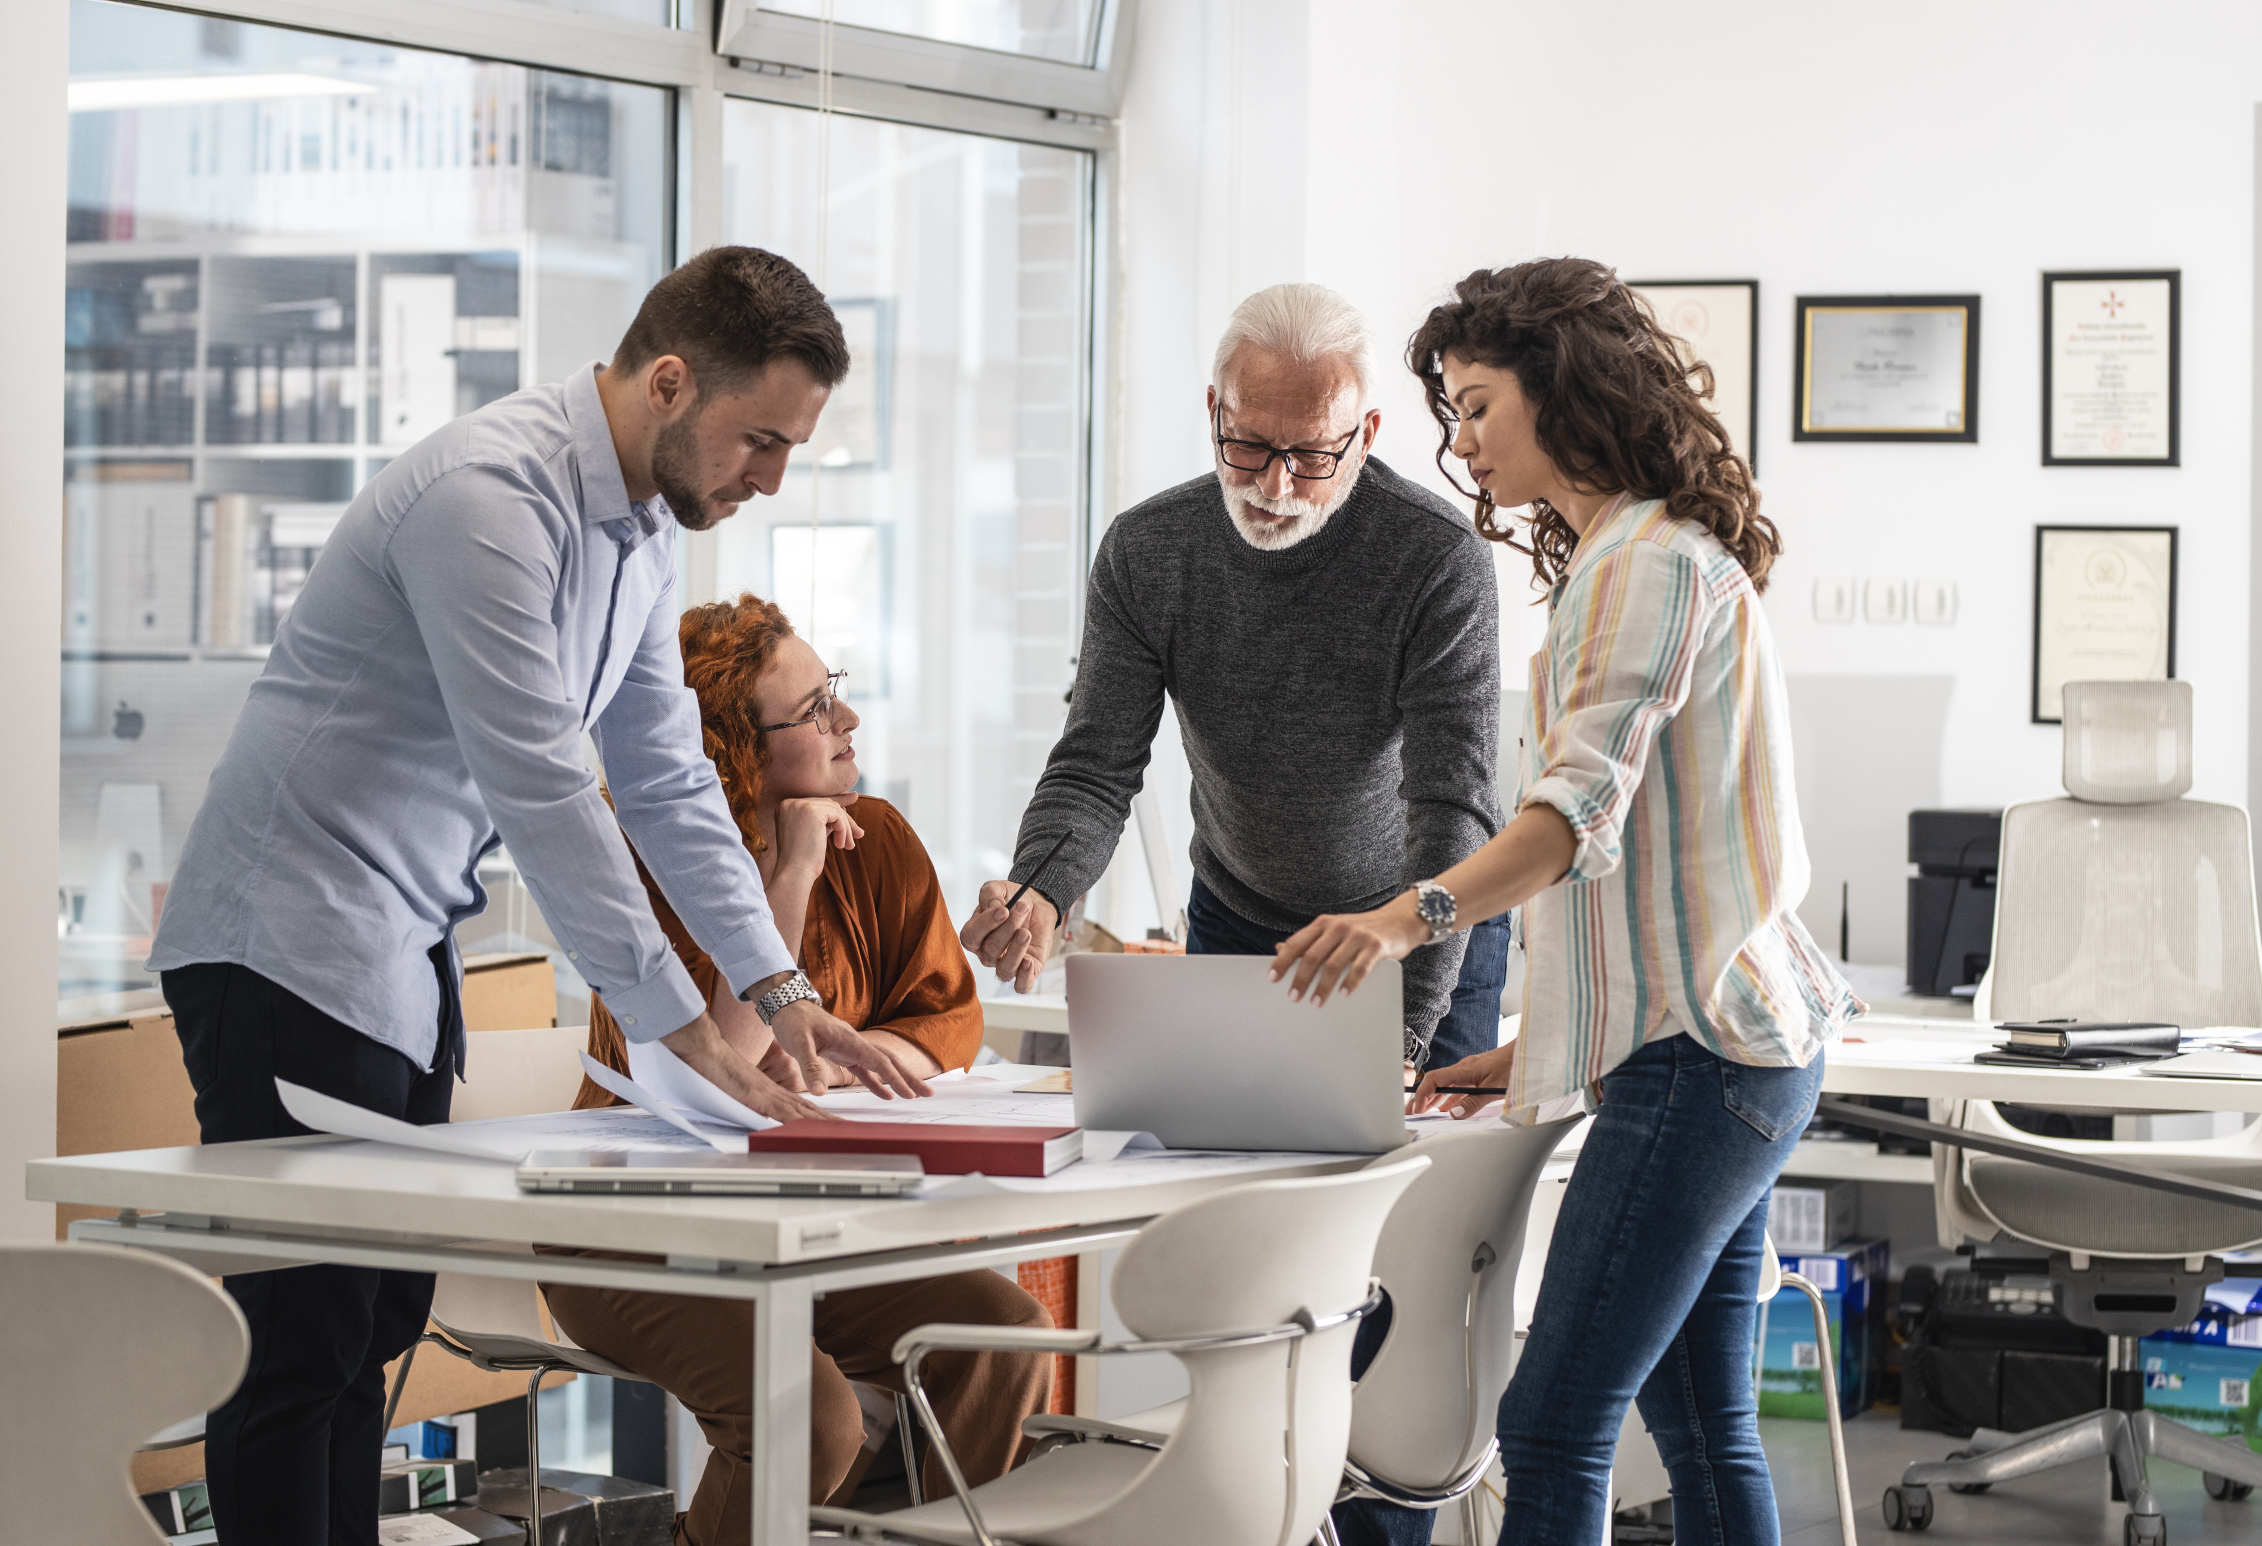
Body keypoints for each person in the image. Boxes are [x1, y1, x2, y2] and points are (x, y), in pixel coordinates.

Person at [148, 247, 933, 1546]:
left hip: (394, 955)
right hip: (280, 944)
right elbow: (544, 788)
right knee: (306, 1343)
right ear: (671, 383)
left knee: (369, 1338)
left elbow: (666, 779)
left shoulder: (633, 535)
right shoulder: (487, 500)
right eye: (760, 440)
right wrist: (688, 1034)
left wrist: (779, 986)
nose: (770, 479)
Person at [1272, 258, 1860, 1546]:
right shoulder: (1641, 550)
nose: (1460, 441)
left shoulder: (1638, 563)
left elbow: (1572, 820)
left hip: (1700, 1063)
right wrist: (1531, 1046)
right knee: (1704, 1430)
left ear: (1562, 390)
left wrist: (1398, 916)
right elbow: (1637, 869)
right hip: (1724, 1049)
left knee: (1549, 1428)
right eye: (1452, 410)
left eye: (1478, 405)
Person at [547, 595, 1053, 1543]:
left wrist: (835, 1068)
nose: (848, 722)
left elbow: (948, 1017)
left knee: (1002, 1339)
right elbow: (713, 1073)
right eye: (815, 711)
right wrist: (790, 873)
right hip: (627, 1231)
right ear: (733, 750)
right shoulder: (646, 864)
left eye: (836, 695)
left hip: (804, 1226)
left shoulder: (883, 837)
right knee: (809, 1415)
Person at [960, 282, 1509, 1081]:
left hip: (1422, 918)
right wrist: (1040, 887)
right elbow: (1097, 763)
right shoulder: (1148, 551)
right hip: (1240, 911)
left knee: (1423, 1178)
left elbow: (1452, 806)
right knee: (1220, 1163)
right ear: (1214, 408)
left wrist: (1403, 1029)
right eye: (1247, 444)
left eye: (1312, 456)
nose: (1273, 487)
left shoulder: (1434, 557)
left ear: (1366, 436)